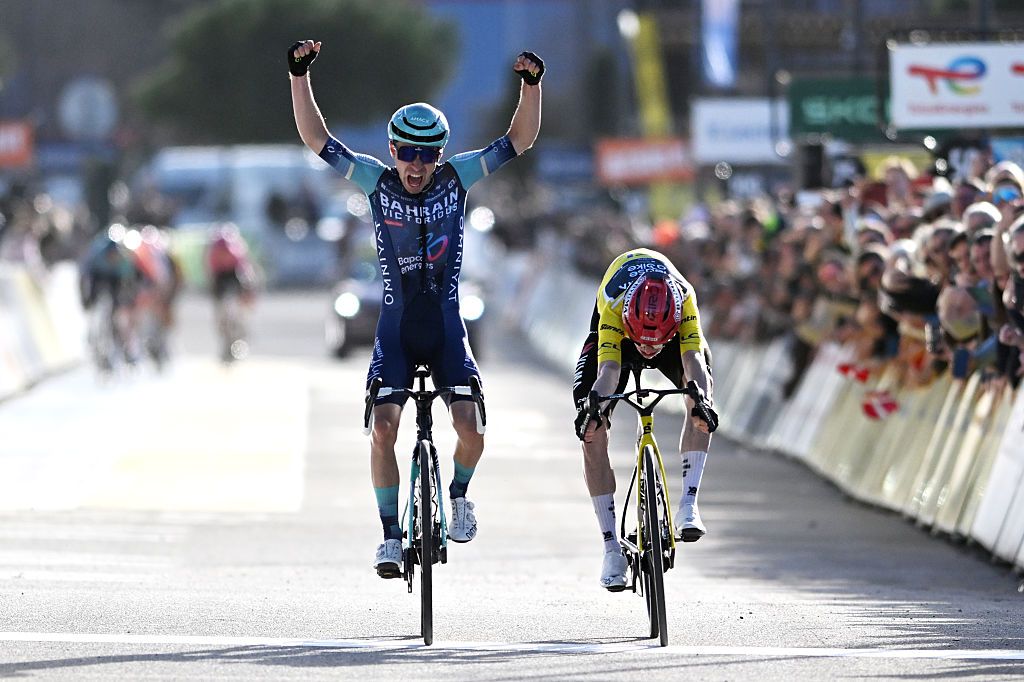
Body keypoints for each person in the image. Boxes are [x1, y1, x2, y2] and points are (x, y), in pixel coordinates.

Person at [288, 39, 543, 578]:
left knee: (470, 428)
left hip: (446, 327)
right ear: (393, 148)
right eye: (407, 152)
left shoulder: (459, 176)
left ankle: (459, 496)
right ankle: (387, 536)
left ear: (442, 153)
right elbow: (317, 139)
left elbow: (519, 138)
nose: (417, 165)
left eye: (428, 154)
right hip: (397, 330)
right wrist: (298, 75)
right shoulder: (375, 180)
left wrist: (530, 85)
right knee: (383, 428)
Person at [572, 248, 717, 591]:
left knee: (700, 402)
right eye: (645, 344)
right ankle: (611, 549)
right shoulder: (615, 304)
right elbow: (608, 370)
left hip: (671, 336)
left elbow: (693, 360)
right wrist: (596, 409)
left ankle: (688, 505)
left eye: (655, 345)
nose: (649, 351)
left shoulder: (684, 299)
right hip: (619, 341)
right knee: (592, 432)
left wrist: (702, 401)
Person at [205, 224, 257, 362]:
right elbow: (212, 277)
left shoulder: (236, 254)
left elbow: (246, 273)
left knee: (240, 312)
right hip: (222, 279)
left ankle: (241, 336)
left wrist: (247, 291)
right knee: (221, 313)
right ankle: (226, 341)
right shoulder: (214, 256)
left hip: (235, 277)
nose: (223, 255)